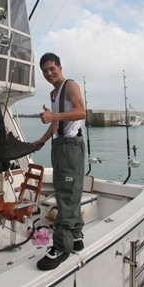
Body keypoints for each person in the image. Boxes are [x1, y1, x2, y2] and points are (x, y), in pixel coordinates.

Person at [34, 52, 86, 271]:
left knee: (66, 196)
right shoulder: (54, 94)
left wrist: (54, 117)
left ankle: (61, 247)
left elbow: (81, 112)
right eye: (45, 71)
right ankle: (76, 237)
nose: (49, 73)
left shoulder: (70, 85)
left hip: (71, 147)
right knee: (66, 190)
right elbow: (55, 124)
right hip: (60, 146)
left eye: (52, 69)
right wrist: (42, 141)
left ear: (60, 67)